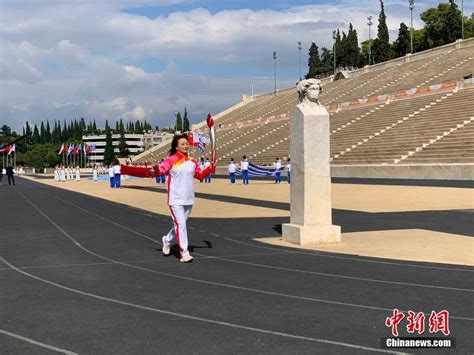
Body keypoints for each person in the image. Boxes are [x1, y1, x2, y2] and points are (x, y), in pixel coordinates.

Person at [153, 133, 213, 263]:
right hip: (175, 198)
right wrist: (152, 170)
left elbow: (200, 175)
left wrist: (209, 169)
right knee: (181, 225)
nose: (186, 146)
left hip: (188, 198)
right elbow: (160, 170)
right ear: (176, 147)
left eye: (186, 143)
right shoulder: (171, 160)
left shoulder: (192, 161)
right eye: (183, 144)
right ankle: (184, 253)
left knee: (181, 225)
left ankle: (167, 240)